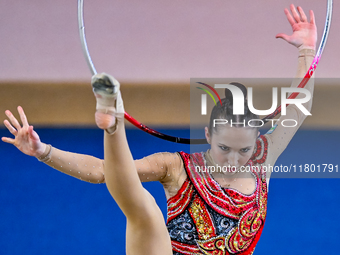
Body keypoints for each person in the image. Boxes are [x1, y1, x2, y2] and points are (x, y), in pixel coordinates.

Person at [2, 4, 317, 254]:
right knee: (146, 212)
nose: (234, 159)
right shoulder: (176, 166)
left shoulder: (263, 162)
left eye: (244, 150)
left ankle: (114, 122)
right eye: (224, 148)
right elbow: (104, 172)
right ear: (208, 137)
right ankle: (113, 123)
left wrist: (306, 50)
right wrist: (43, 151)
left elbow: (298, 110)